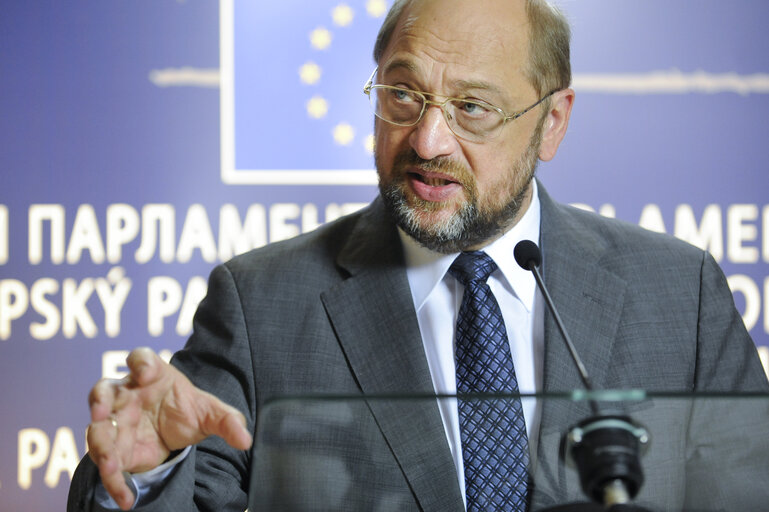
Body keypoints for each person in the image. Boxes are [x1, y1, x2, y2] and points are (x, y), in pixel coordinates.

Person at [68, 0, 769, 511]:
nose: (427, 139)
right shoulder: (261, 304)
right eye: (402, 95)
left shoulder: (681, 294)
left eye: (472, 108)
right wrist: (150, 472)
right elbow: (183, 494)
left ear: (550, 122)